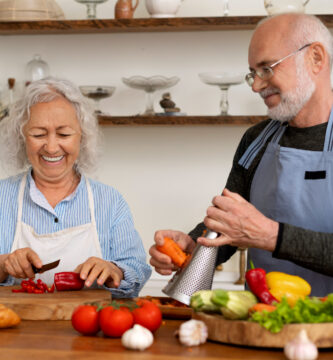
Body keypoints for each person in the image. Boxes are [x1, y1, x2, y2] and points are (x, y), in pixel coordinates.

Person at [149, 13, 333, 297]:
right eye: (253, 73)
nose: (256, 86)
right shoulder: (256, 140)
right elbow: (229, 228)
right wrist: (191, 245)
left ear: (316, 59)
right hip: (259, 325)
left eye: (266, 69)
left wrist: (271, 236)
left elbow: (256, 231)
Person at [0, 77, 151, 298]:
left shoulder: (109, 201)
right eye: (39, 134)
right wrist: (3, 265)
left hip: (91, 328)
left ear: (82, 137)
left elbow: (137, 271)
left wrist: (114, 271)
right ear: (22, 138)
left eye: (63, 134)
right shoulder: (2, 197)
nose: (51, 147)